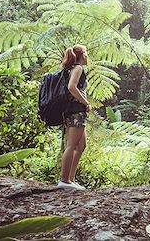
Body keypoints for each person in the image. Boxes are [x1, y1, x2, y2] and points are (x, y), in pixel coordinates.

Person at [57, 44, 91, 190]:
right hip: (75, 111)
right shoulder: (78, 68)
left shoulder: (72, 69)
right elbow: (72, 87)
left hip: (75, 111)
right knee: (71, 145)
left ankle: (71, 179)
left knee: (81, 145)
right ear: (82, 55)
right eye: (86, 53)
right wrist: (85, 102)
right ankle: (64, 180)